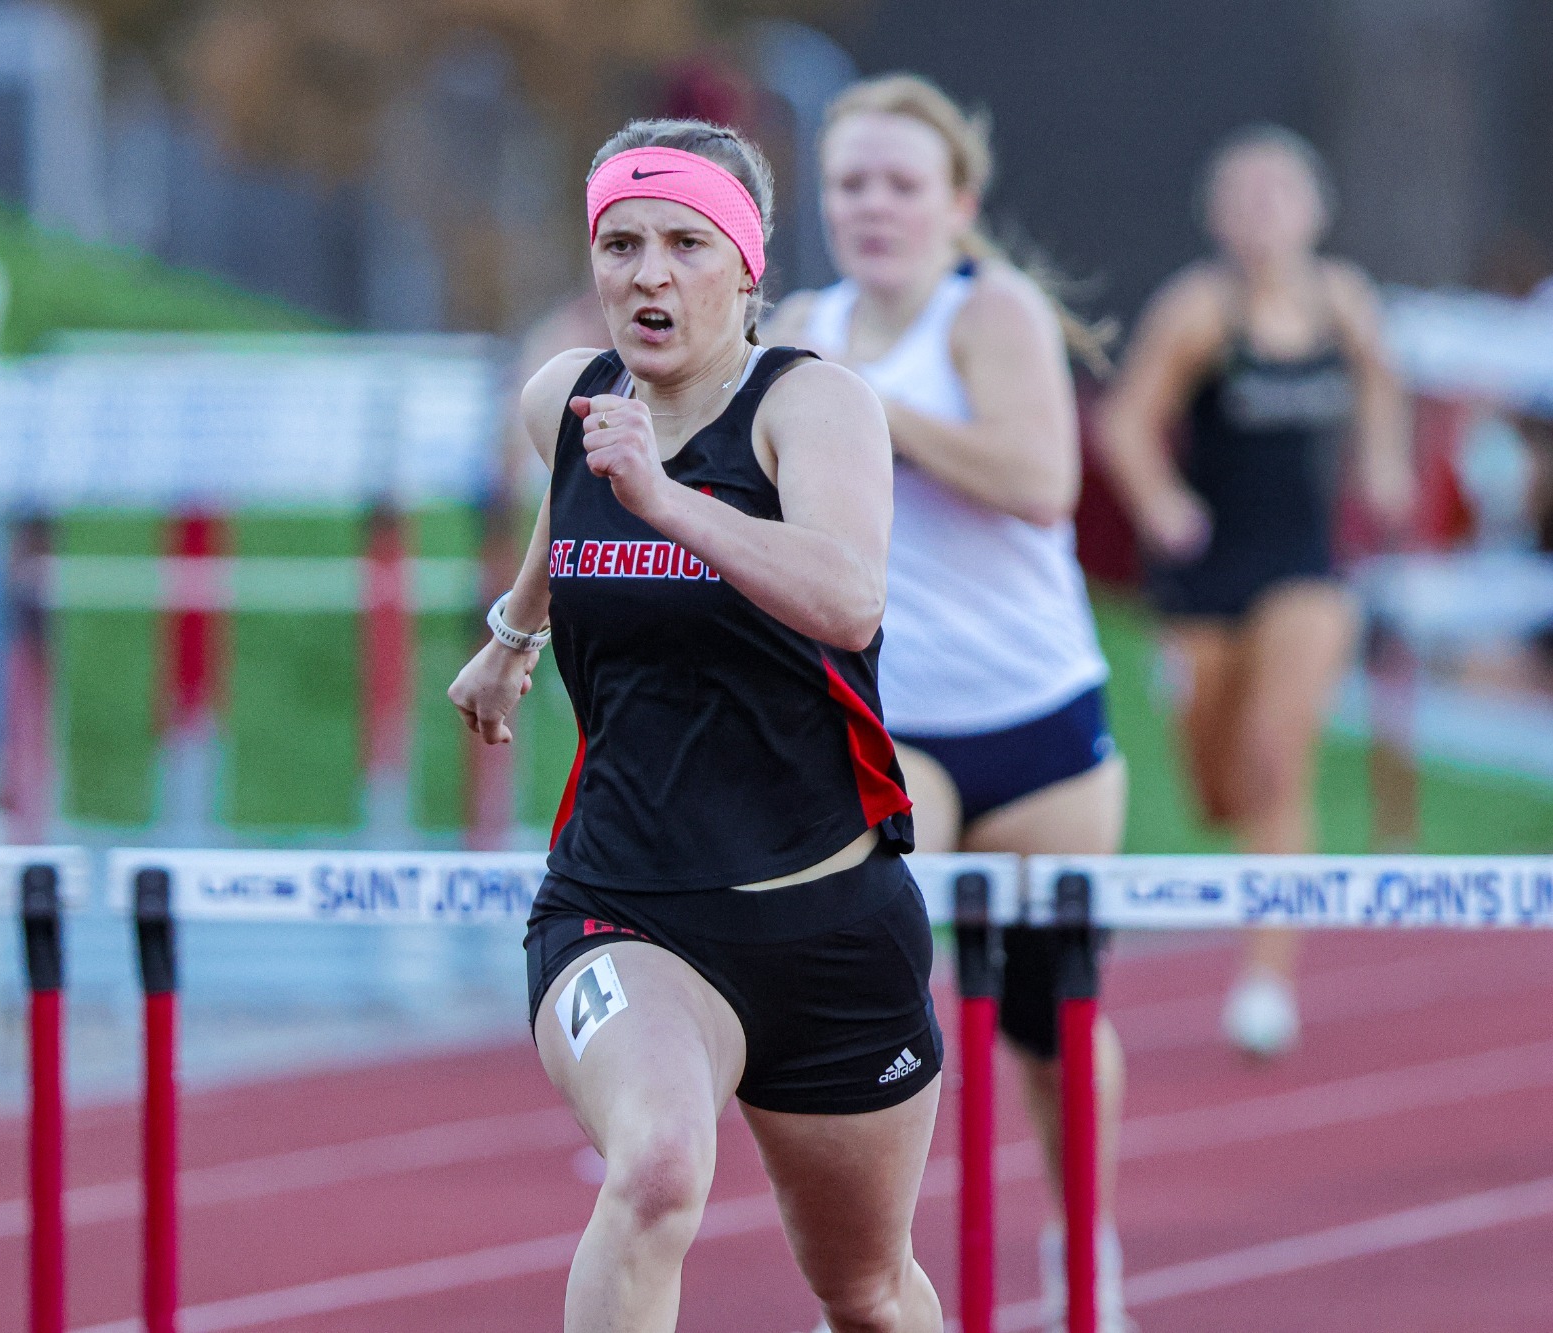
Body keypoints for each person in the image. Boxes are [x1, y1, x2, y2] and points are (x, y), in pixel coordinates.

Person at [450, 118, 945, 1333]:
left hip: (826, 915)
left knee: (866, 1290)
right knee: (659, 1165)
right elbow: (568, 518)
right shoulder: (564, 402)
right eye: (619, 244)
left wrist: (665, 498)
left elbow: (847, 597)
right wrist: (514, 634)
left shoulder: (812, 406)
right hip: (625, 908)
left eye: (682, 241)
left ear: (744, 263)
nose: (646, 274)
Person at [764, 74, 1132, 1331]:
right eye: (848, 184)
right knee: (874, 999)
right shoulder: (799, 323)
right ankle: (873, 1283)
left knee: (1046, 1023)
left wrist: (867, 408)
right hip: (894, 726)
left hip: (1038, 720)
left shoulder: (990, 314)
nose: (872, 206)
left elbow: (1041, 479)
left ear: (954, 202)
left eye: (899, 184)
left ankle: (1085, 1261)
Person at [1098, 126, 1412, 1058]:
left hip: (1305, 571)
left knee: (1280, 754)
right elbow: (1125, 422)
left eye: (1281, 194)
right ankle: (1252, 852)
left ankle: (1266, 981)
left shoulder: (1342, 301)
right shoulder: (1202, 310)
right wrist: (1162, 504)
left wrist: (1385, 466)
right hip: (1204, 571)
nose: (1264, 214)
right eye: (1245, 197)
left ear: (1315, 210)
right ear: (1219, 216)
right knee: (1220, 787)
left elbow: (1384, 386)